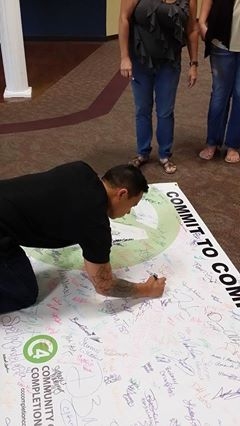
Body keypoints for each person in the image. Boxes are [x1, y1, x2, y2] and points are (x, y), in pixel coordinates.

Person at [0, 161, 166, 314]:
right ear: (122, 193)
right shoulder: (94, 222)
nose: (129, 212)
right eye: (132, 205)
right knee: (25, 293)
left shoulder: (81, 169)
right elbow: (104, 286)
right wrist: (146, 290)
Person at [119, 0, 199, 174]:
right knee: (142, 108)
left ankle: (164, 154)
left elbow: (192, 29)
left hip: (169, 62)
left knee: (165, 111)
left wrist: (194, 64)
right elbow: (124, 19)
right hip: (140, 59)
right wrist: (124, 57)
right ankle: (142, 152)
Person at [198, 0, 240, 163]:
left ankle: (233, 144)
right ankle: (212, 142)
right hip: (221, 43)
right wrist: (202, 22)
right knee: (219, 95)